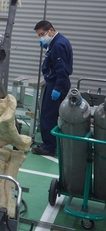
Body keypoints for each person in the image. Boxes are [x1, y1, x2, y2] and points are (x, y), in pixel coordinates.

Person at [31, 20, 73, 156]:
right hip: (56, 82)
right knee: (52, 114)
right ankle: (50, 143)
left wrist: (58, 88)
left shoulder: (58, 45)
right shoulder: (57, 42)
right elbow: (55, 58)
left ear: (51, 30)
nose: (41, 37)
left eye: (42, 34)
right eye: (39, 35)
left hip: (56, 83)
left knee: (48, 115)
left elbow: (61, 69)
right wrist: (47, 47)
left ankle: (48, 147)